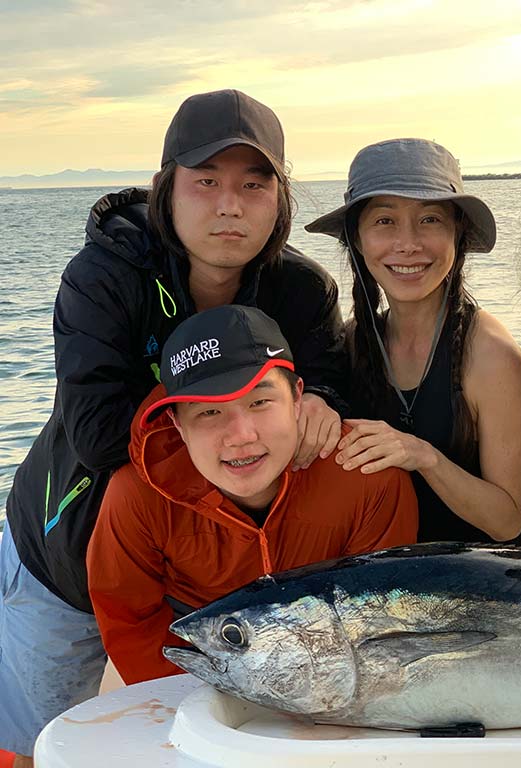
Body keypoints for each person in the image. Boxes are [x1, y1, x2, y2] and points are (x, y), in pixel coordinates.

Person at [0, 89, 346, 764]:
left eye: (254, 184)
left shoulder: (302, 291)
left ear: (281, 196)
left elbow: (330, 383)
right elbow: (99, 433)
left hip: (210, 572)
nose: (229, 205)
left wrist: (323, 401)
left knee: (207, 738)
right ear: (165, 188)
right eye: (206, 182)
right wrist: (242, 422)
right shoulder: (104, 278)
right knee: (37, 741)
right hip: (64, 553)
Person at [87, 306, 417, 683]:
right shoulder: (135, 496)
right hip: (197, 659)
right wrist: (204, 701)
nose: (241, 435)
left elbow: (380, 618)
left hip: (332, 669)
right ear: (177, 424)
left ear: (297, 399)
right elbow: (130, 619)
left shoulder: (366, 474)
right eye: (209, 413)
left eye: (259, 402)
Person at [305, 139, 521, 546]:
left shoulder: (490, 354)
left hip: (490, 583)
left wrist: (423, 456)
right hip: (397, 585)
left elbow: (507, 521)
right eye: (384, 221)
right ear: (357, 240)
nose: (408, 243)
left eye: (429, 220)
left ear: (457, 235)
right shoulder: (356, 341)